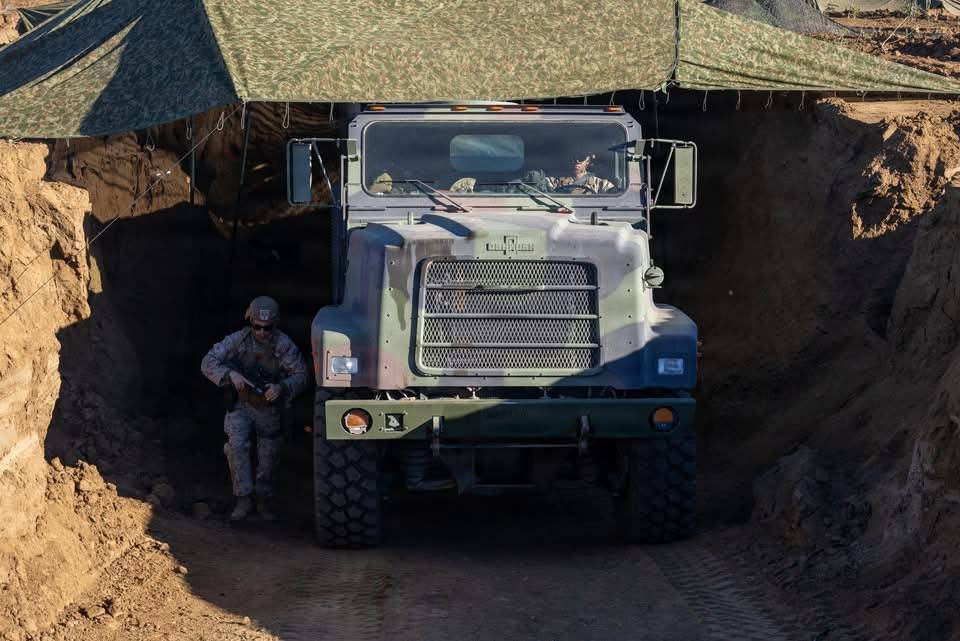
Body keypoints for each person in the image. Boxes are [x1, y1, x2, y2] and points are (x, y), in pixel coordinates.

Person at [201, 296, 308, 522]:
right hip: (241, 404)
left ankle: (263, 499)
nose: (261, 332)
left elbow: (301, 375)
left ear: (275, 325)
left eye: (267, 328)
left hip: (268, 408)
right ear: (250, 322)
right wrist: (230, 374)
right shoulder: (238, 340)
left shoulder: (283, 345)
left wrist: (282, 387)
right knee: (236, 446)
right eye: (257, 327)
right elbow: (208, 362)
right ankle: (243, 498)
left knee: (268, 456)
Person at [530, 153, 616, 194]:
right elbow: (540, 184)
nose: (577, 161)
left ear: (588, 161)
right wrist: (535, 177)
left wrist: (614, 191)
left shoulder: (598, 183)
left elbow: (615, 193)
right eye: (573, 157)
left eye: (581, 157)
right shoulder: (557, 181)